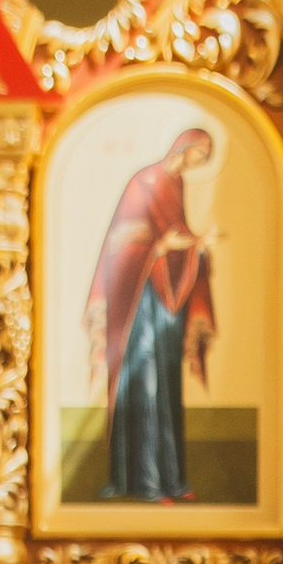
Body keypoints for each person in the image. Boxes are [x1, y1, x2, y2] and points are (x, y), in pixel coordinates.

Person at [87, 125, 218, 502]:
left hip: (165, 302)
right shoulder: (144, 182)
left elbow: (177, 236)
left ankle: (173, 481)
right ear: (187, 146)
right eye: (201, 153)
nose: (201, 161)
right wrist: (161, 245)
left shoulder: (175, 186)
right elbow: (124, 239)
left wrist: (196, 247)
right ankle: (145, 483)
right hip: (139, 302)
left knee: (167, 385)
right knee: (144, 385)